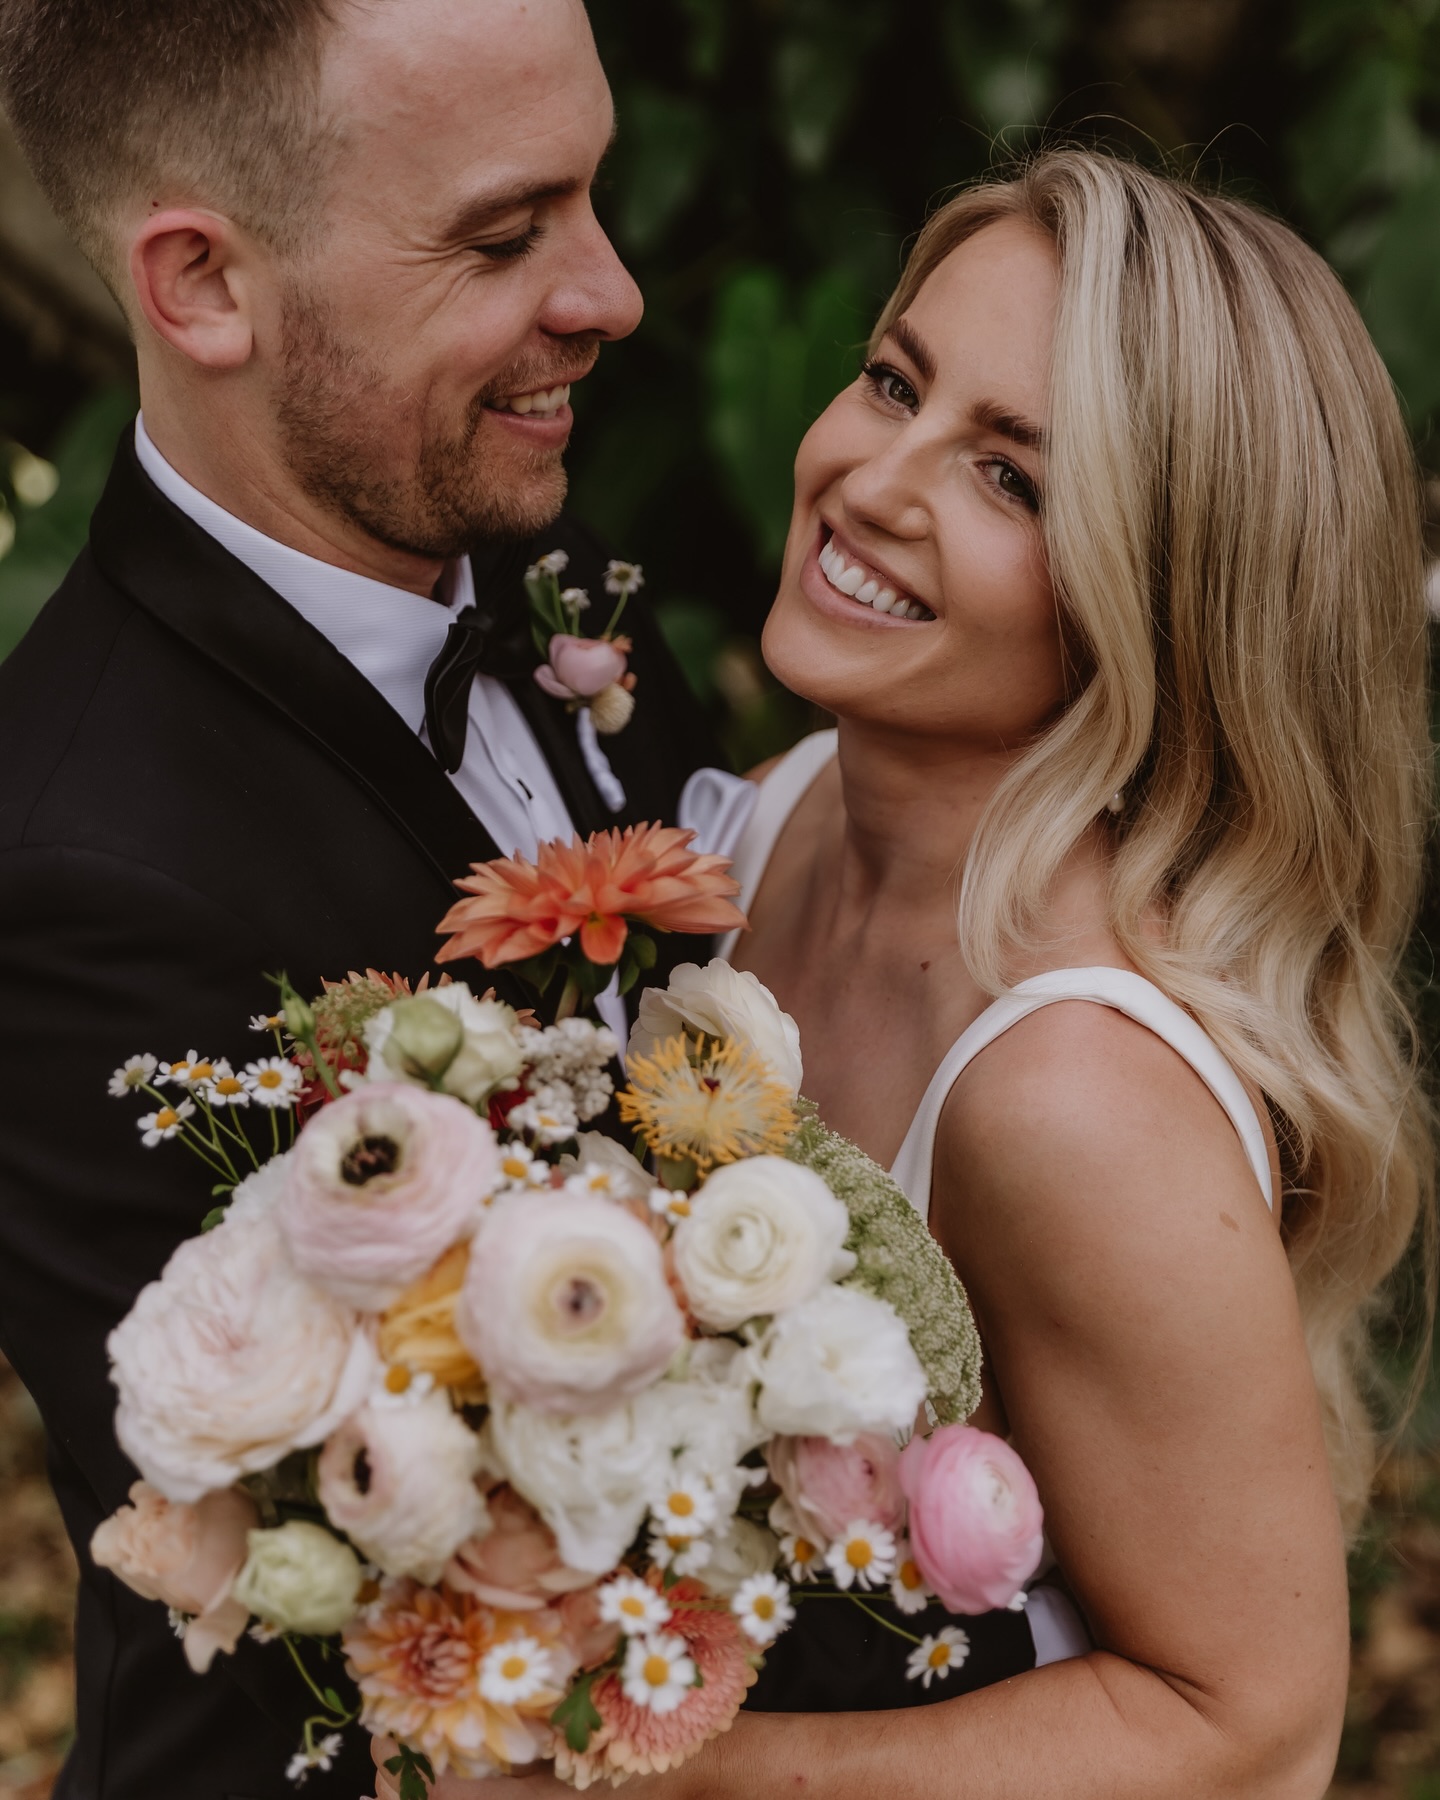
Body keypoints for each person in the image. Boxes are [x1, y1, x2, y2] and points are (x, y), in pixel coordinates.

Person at [376, 150, 1436, 1798]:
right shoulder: (792, 804)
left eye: (1012, 478)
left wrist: (627, 1775)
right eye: (894, 382)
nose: (875, 478)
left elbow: (1255, 1728)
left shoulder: (1075, 1096)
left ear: (1164, 601)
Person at [0, 2, 737, 1796]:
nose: (613, 293)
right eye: (507, 234)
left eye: (598, 197)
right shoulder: (70, 877)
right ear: (202, 287)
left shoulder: (526, 553)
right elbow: (344, 1602)